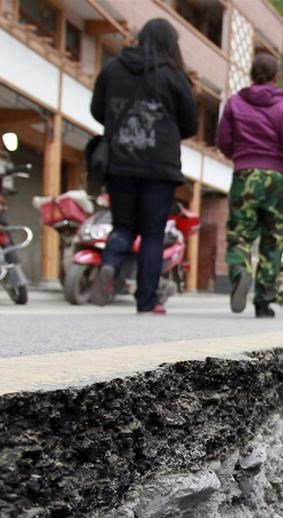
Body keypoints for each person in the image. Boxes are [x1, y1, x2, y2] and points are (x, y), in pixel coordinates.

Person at [89, 18, 197, 314]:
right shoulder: (173, 76)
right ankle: (146, 300)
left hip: (120, 163)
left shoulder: (113, 68)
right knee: (152, 233)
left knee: (123, 225)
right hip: (158, 167)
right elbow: (190, 123)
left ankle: (110, 265)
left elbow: (97, 110)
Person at [217, 53, 283, 318]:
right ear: (275, 77)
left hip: (245, 174)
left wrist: (241, 155)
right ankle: (264, 301)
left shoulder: (235, 102)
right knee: (273, 238)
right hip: (276, 178)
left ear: (250, 75)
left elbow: (223, 140)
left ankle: (240, 272)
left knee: (240, 233)